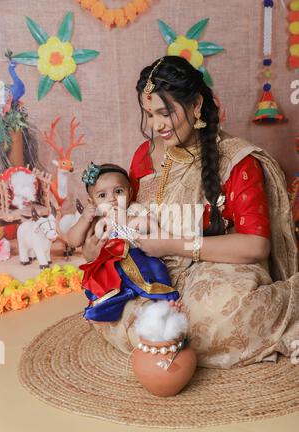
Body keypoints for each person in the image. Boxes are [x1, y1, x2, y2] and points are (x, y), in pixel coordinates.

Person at [82, 56, 299, 368]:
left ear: (196, 105)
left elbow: (256, 245)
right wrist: (98, 250)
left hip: (217, 268)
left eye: (164, 112)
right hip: (153, 272)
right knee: (109, 297)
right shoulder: (145, 155)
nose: (156, 125)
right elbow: (125, 221)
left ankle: (162, 335)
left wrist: (172, 244)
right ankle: (162, 329)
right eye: (149, 114)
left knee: (224, 312)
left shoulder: (236, 160)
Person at [67, 162, 179, 322]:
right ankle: (110, 308)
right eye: (102, 195)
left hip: (136, 258)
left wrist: (124, 218)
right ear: (91, 201)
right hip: (110, 266)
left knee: (150, 276)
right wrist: (84, 219)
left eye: (118, 191)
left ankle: (162, 305)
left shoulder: (133, 209)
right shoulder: (95, 218)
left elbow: (151, 225)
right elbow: (73, 240)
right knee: (106, 286)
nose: (112, 199)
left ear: (130, 192)